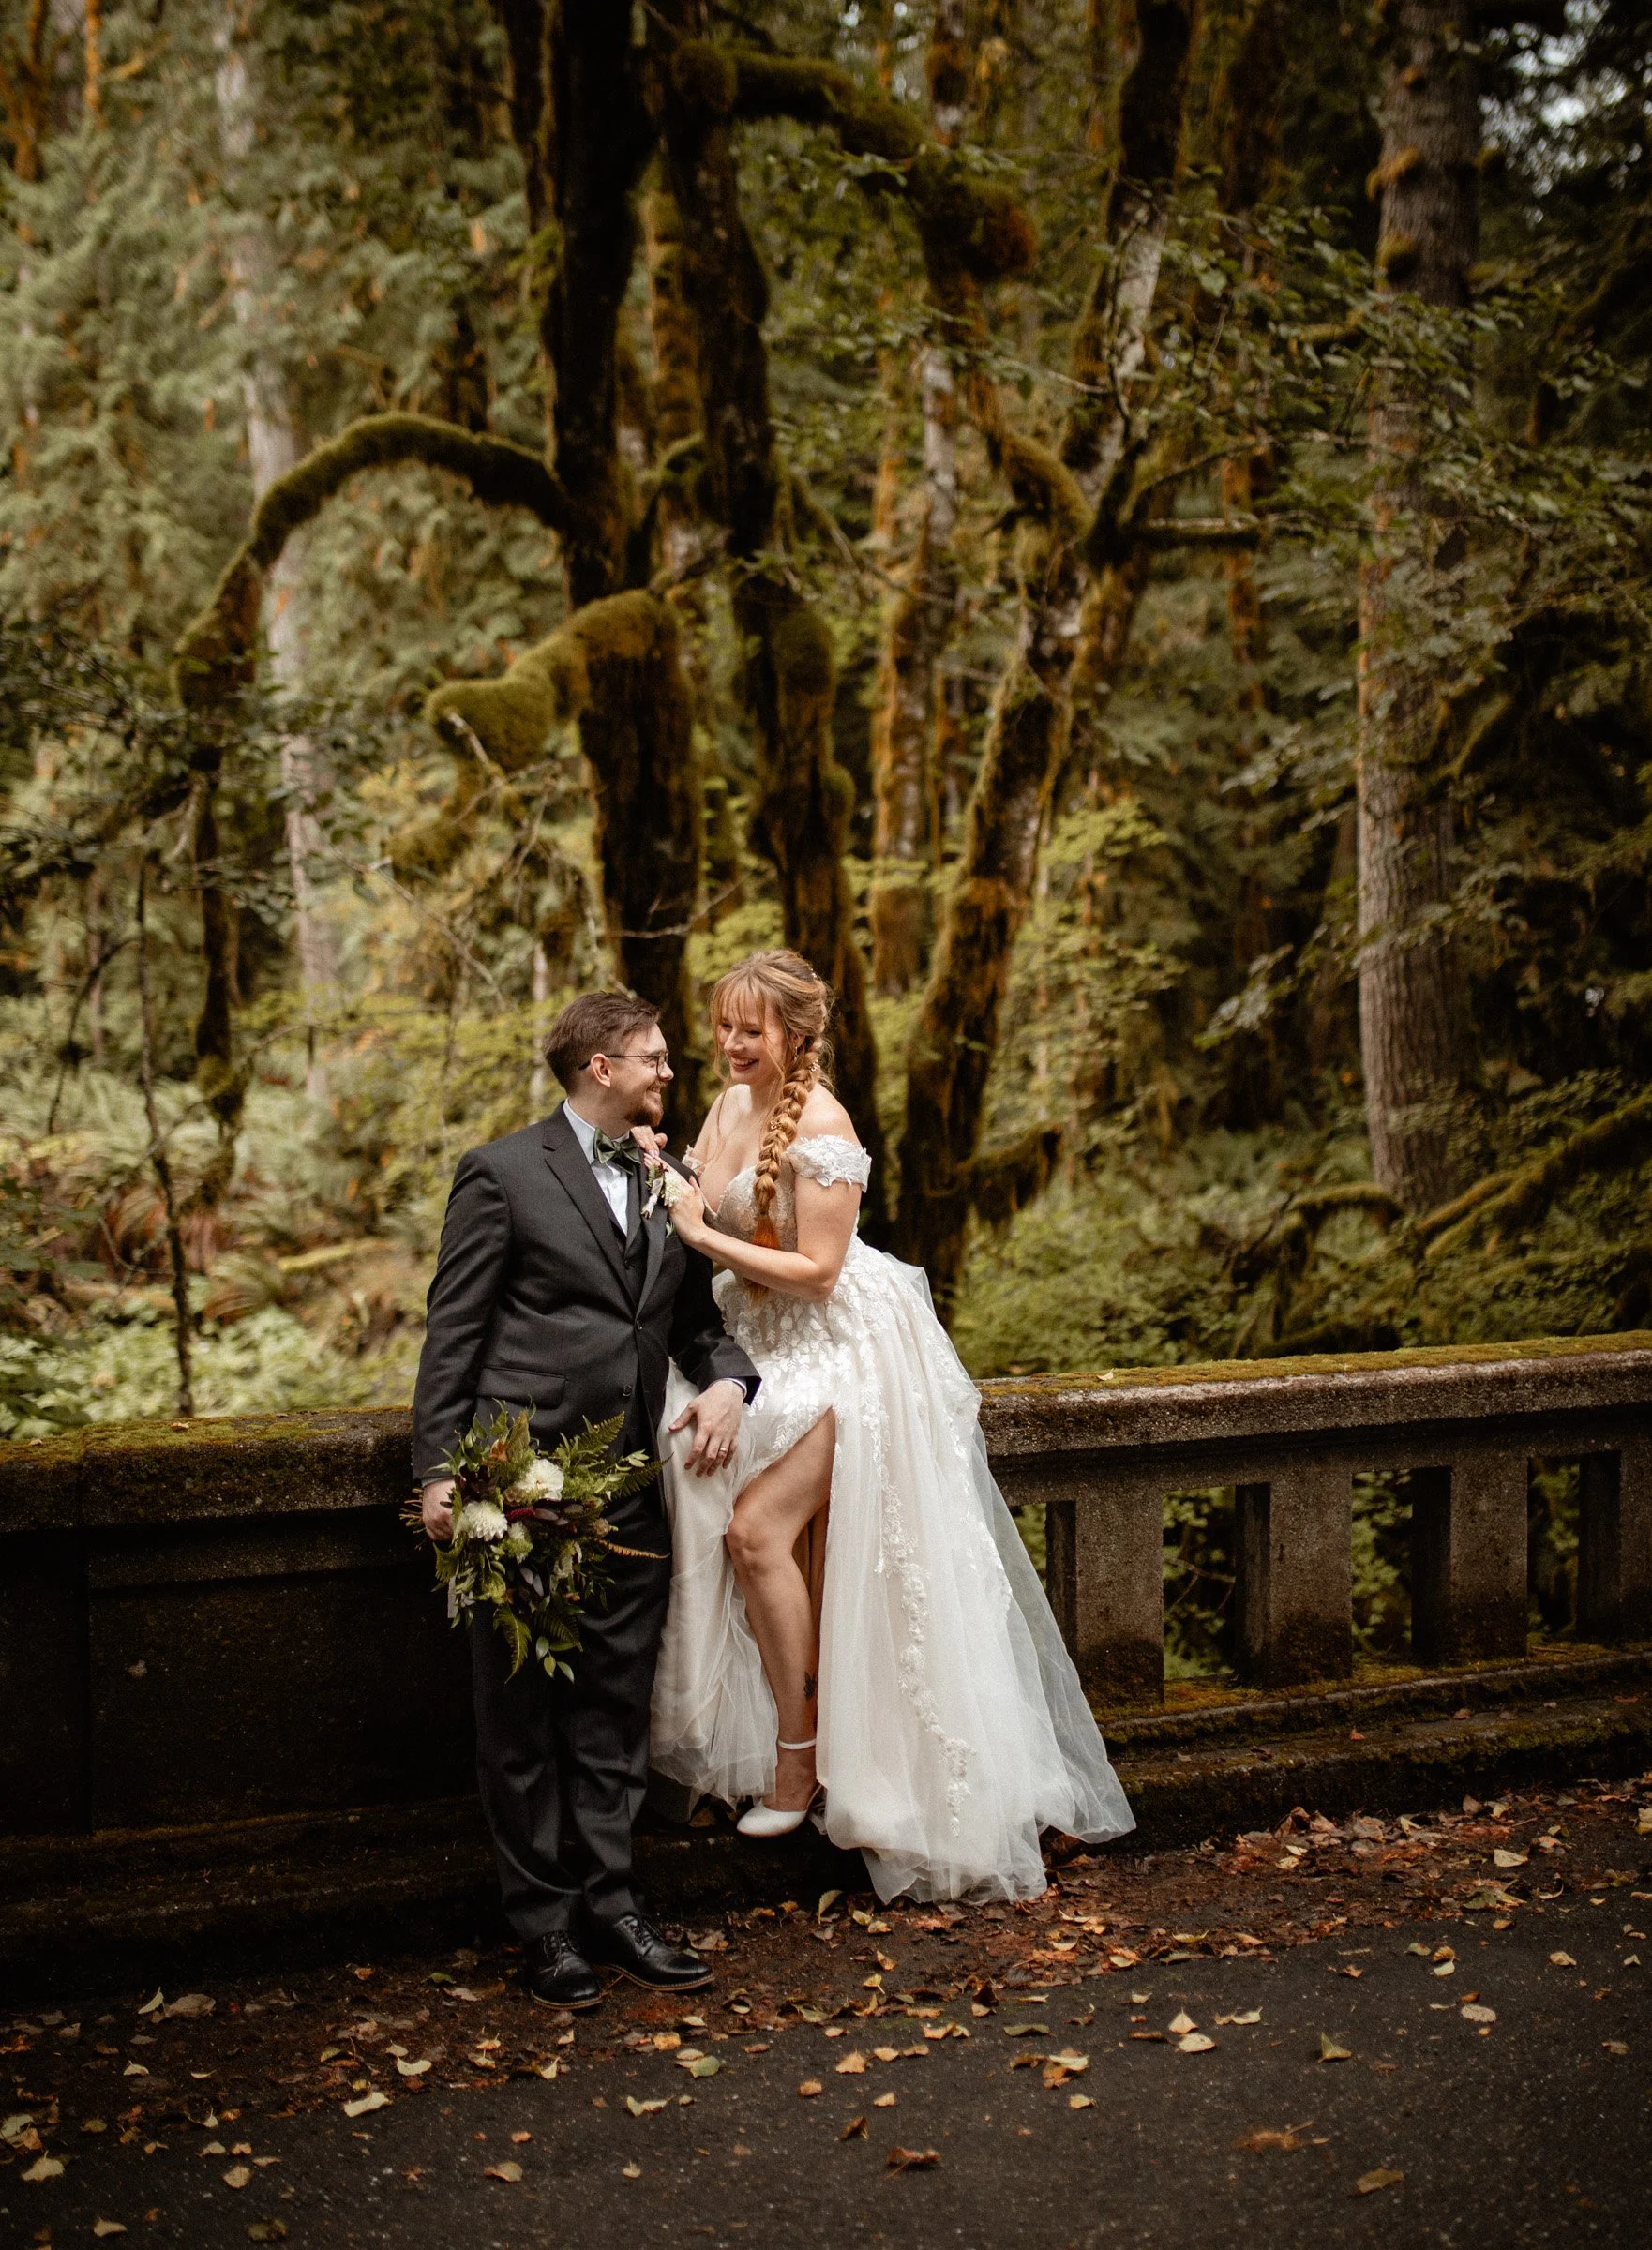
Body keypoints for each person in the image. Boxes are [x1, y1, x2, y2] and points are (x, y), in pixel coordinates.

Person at [648, 951, 1134, 1903]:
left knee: (756, 1533)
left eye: (752, 1029)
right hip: (759, 1345)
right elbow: (692, 1206)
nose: (731, 1044)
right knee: (789, 1548)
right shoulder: (721, 1107)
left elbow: (821, 1272)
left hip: (847, 1354)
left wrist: (705, 1237)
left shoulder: (823, 1125)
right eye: (724, 1026)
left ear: (795, 1034)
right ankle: (821, 1753)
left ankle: (799, 1763)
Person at [412, 992, 760, 2007]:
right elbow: (454, 1335)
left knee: (614, 1705)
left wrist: (734, 1383)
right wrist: (440, 1471)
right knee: (518, 1717)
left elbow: (696, 1322)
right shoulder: (500, 1174)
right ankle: (545, 1928)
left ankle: (615, 1906)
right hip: (518, 1488)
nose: (668, 1070)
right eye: (651, 1058)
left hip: (634, 1488)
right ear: (599, 1069)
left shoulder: (671, 1175)